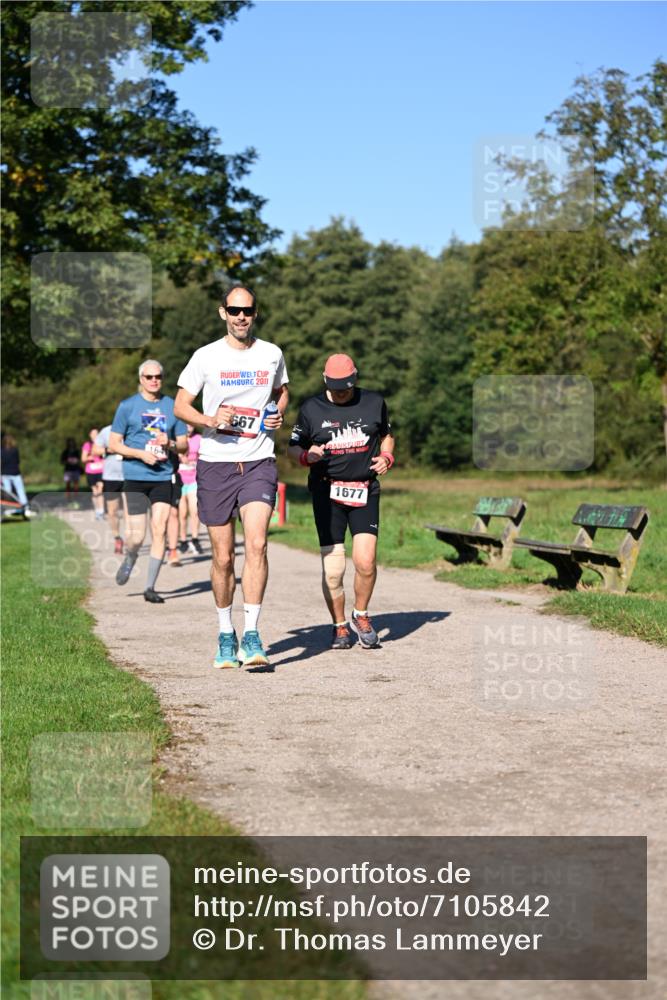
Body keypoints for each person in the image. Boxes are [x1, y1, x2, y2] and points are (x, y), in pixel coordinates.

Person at [174, 285, 289, 669]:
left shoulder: (272, 353)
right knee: (223, 558)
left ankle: (252, 634)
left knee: (256, 545)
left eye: (249, 310)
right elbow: (180, 405)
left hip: (258, 461)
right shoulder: (205, 356)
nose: (242, 316)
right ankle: (226, 632)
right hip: (215, 464)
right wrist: (210, 419)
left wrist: (276, 412)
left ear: (256, 313)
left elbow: (282, 391)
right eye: (235, 310)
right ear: (222, 312)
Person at [288, 353, 395, 650]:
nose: (341, 393)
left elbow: (387, 436)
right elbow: (292, 447)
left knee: (366, 561)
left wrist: (387, 456)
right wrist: (305, 456)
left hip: (364, 489)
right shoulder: (312, 408)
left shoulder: (374, 402)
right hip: (327, 493)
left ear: (356, 378)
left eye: (346, 388)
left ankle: (361, 614)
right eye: (335, 388)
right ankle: (339, 627)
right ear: (325, 381)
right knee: (334, 570)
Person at [109, 360, 187, 603]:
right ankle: (131, 556)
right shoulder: (127, 406)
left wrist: (170, 444)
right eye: (149, 376)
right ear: (140, 379)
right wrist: (141, 454)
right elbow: (113, 443)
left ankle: (150, 587)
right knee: (137, 536)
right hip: (135, 476)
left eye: (158, 376)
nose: (154, 380)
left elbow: (183, 444)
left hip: (163, 476)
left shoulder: (172, 407)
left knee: (159, 529)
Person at [95, 424, 125, 554]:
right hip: (110, 477)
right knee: (112, 511)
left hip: (129, 474)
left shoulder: (131, 428)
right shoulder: (106, 430)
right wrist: (108, 450)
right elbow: (95, 450)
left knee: (130, 510)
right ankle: (117, 537)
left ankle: (132, 539)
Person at [178, 424, 203, 555]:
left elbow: (204, 456)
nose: (189, 427)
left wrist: (195, 463)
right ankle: (182, 540)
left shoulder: (199, 438)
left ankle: (195, 539)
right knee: (182, 514)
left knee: (194, 511)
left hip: (194, 479)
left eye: (191, 424)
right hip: (180, 479)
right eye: (186, 424)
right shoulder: (177, 438)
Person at [1, 433, 31, 513]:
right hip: (15, 473)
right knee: (20, 490)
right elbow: (18, 461)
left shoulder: (1, 451)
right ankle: (26, 508)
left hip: (5, 473)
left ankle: (8, 509)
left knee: (8, 492)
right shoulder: (15, 450)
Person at [82, 428, 105, 520]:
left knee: (100, 490)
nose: (95, 435)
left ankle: (101, 511)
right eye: (93, 434)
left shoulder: (102, 444)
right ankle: (97, 510)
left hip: (101, 471)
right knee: (95, 491)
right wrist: (90, 457)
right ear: (90, 435)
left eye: (97, 434)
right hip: (91, 471)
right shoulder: (87, 445)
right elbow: (83, 459)